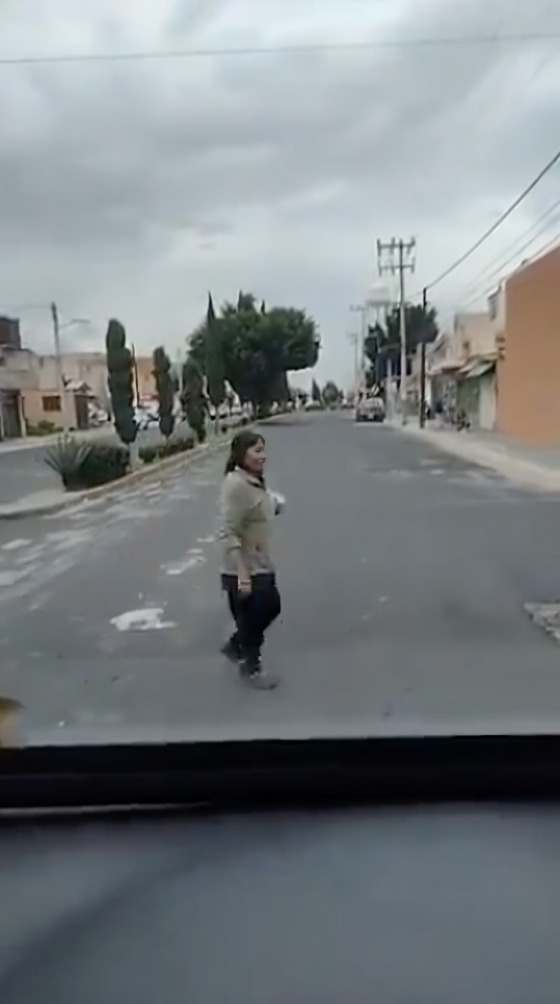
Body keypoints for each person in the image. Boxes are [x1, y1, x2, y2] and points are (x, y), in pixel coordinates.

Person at [218, 430, 282, 689]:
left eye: (263, 450)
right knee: (255, 614)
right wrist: (242, 573)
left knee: (269, 608)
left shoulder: (252, 481)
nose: (262, 456)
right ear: (241, 454)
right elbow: (227, 530)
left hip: (259, 562)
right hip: (243, 569)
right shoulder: (235, 485)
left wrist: (275, 504)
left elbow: (258, 507)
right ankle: (250, 668)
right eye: (256, 451)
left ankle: (237, 647)